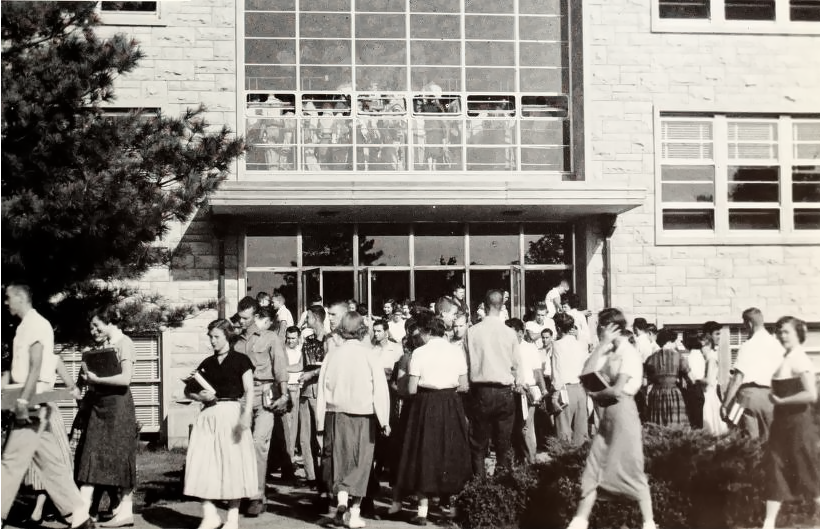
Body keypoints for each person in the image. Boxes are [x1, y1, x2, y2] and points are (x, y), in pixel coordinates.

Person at [1, 283, 93, 529]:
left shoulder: (35, 325)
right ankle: (80, 515)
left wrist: (22, 401)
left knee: (11, 462)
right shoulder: (23, 327)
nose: (5, 302)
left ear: (20, 298)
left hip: (31, 402)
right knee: (51, 463)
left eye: (8, 297)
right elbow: (17, 369)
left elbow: (36, 365)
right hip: (31, 401)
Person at [567, 308, 655, 530]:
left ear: (613, 327)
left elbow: (617, 390)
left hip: (623, 413)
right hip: (607, 416)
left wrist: (595, 395)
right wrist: (600, 346)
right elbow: (586, 375)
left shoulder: (629, 353)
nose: (598, 330)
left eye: (601, 326)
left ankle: (648, 523)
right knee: (594, 468)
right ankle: (579, 521)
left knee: (631, 467)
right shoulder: (607, 352)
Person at [391, 313, 471, 526]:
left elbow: (411, 388)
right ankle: (452, 508)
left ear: (427, 332)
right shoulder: (456, 352)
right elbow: (464, 385)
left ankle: (423, 511)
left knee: (423, 452)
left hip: (425, 404)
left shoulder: (419, 353)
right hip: (451, 402)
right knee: (451, 451)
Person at [317, 311, 391, 529]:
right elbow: (380, 389)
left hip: (335, 414)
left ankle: (341, 502)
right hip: (363, 416)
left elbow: (323, 389)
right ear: (362, 330)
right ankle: (355, 512)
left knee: (340, 461)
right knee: (361, 463)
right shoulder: (369, 355)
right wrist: (384, 419)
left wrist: (320, 421)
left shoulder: (332, 355)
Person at [184, 319, 257, 530]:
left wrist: (247, 414)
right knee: (203, 464)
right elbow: (188, 390)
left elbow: (249, 389)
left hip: (231, 414)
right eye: (210, 337)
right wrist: (200, 396)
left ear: (227, 337)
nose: (212, 341)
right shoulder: (206, 363)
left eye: (216, 336)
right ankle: (209, 515)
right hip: (208, 416)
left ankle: (232, 519)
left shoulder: (241, 360)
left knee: (233, 464)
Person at [75, 307, 140, 528]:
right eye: (91, 327)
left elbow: (125, 379)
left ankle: (125, 512)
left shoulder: (125, 343)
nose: (93, 330)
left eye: (97, 325)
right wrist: (85, 379)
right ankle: (82, 514)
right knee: (90, 457)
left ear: (110, 322)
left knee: (121, 457)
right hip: (98, 407)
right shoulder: (101, 347)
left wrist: (96, 379)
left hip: (118, 407)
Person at [232, 296, 290, 517]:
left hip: (265, 393)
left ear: (256, 316)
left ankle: (257, 496)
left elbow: (280, 367)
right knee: (239, 443)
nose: (242, 321)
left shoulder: (270, 337)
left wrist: (284, 394)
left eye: (246, 317)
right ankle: (239, 492)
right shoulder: (235, 341)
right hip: (241, 396)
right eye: (240, 317)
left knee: (258, 443)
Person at [761, 316, 820, 529]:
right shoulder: (786, 357)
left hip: (798, 424)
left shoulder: (800, 359)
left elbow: (811, 394)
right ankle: (768, 523)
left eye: (786, 332)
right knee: (775, 469)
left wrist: (782, 400)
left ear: (798, 334)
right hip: (781, 423)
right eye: (779, 331)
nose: (781, 335)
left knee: (807, 470)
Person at [463, 289, 523, 477]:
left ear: (485, 306)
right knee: (503, 443)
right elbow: (517, 366)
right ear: (501, 306)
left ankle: (479, 486)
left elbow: (464, 365)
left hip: (481, 391)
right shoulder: (510, 333)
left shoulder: (472, 332)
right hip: (505, 391)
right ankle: (502, 483)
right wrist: (518, 383)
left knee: (478, 443)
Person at [721, 308, 784, 441]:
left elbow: (737, 379)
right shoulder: (777, 345)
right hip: (770, 398)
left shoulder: (747, 346)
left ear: (749, 324)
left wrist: (725, 404)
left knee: (743, 440)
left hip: (746, 399)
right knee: (770, 441)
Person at [297, 306, 328, 508]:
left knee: (320, 436)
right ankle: (311, 476)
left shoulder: (328, 339)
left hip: (320, 390)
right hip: (305, 391)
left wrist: (311, 374)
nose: (305, 319)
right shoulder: (307, 341)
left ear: (316, 318)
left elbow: (327, 364)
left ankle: (325, 480)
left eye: (307, 316)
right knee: (304, 437)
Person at [505, 318, 547, 464]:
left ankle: (531, 460)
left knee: (526, 427)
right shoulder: (504, 348)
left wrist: (543, 390)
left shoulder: (529, 348)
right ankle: (517, 460)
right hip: (510, 391)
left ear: (521, 333)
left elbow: (537, 370)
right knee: (512, 428)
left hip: (527, 392)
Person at [551, 312, 590, 446]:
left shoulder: (557, 345)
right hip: (580, 390)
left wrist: (555, 396)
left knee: (563, 432)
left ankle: (563, 462)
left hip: (565, 390)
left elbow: (557, 371)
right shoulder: (581, 345)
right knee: (580, 432)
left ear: (559, 328)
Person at [643, 328, 691, 428]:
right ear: (670, 341)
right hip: (673, 394)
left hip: (656, 394)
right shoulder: (678, 357)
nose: (675, 345)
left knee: (658, 425)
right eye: (674, 342)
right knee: (676, 425)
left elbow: (644, 383)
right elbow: (690, 378)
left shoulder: (650, 358)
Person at [700, 321, 728, 436]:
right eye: (716, 334)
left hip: (711, 393)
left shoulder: (711, 353)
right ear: (708, 335)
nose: (719, 337)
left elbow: (711, 378)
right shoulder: (706, 352)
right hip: (706, 394)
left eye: (719, 334)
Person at [283, 326, 303, 464]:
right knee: (286, 424)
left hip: (297, 387)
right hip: (285, 387)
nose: (290, 341)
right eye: (288, 338)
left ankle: (291, 454)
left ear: (298, 338)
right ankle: (287, 456)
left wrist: (285, 368)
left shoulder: (301, 349)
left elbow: (300, 366)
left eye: (293, 338)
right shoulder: (281, 350)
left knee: (294, 423)